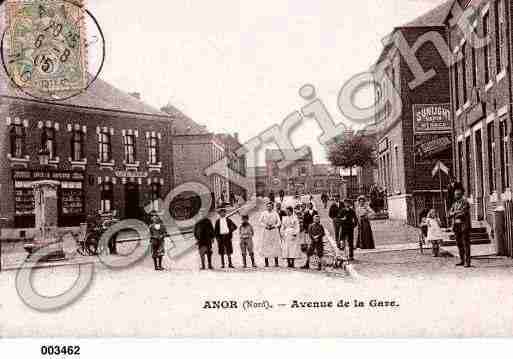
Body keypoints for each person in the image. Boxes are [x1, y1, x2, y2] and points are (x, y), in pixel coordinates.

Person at [448, 187, 472, 267]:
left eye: (458, 194)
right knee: (459, 244)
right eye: (455, 194)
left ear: (461, 195)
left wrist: (454, 213)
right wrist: (455, 212)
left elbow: (463, 213)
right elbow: (449, 214)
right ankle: (462, 260)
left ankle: (467, 262)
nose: (456, 196)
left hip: (464, 226)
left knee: (466, 244)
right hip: (456, 226)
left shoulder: (465, 202)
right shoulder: (454, 204)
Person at [259, 202, 282, 267]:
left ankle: (276, 262)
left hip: (274, 231)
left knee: (275, 245)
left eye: (270, 206)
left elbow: (279, 222)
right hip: (266, 231)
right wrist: (265, 225)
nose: (269, 207)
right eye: (268, 206)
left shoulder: (275, 213)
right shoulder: (263, 213)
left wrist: (274, 226)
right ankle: (266, 262)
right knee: (266, 246)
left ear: (272, 207)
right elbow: (260, 221)